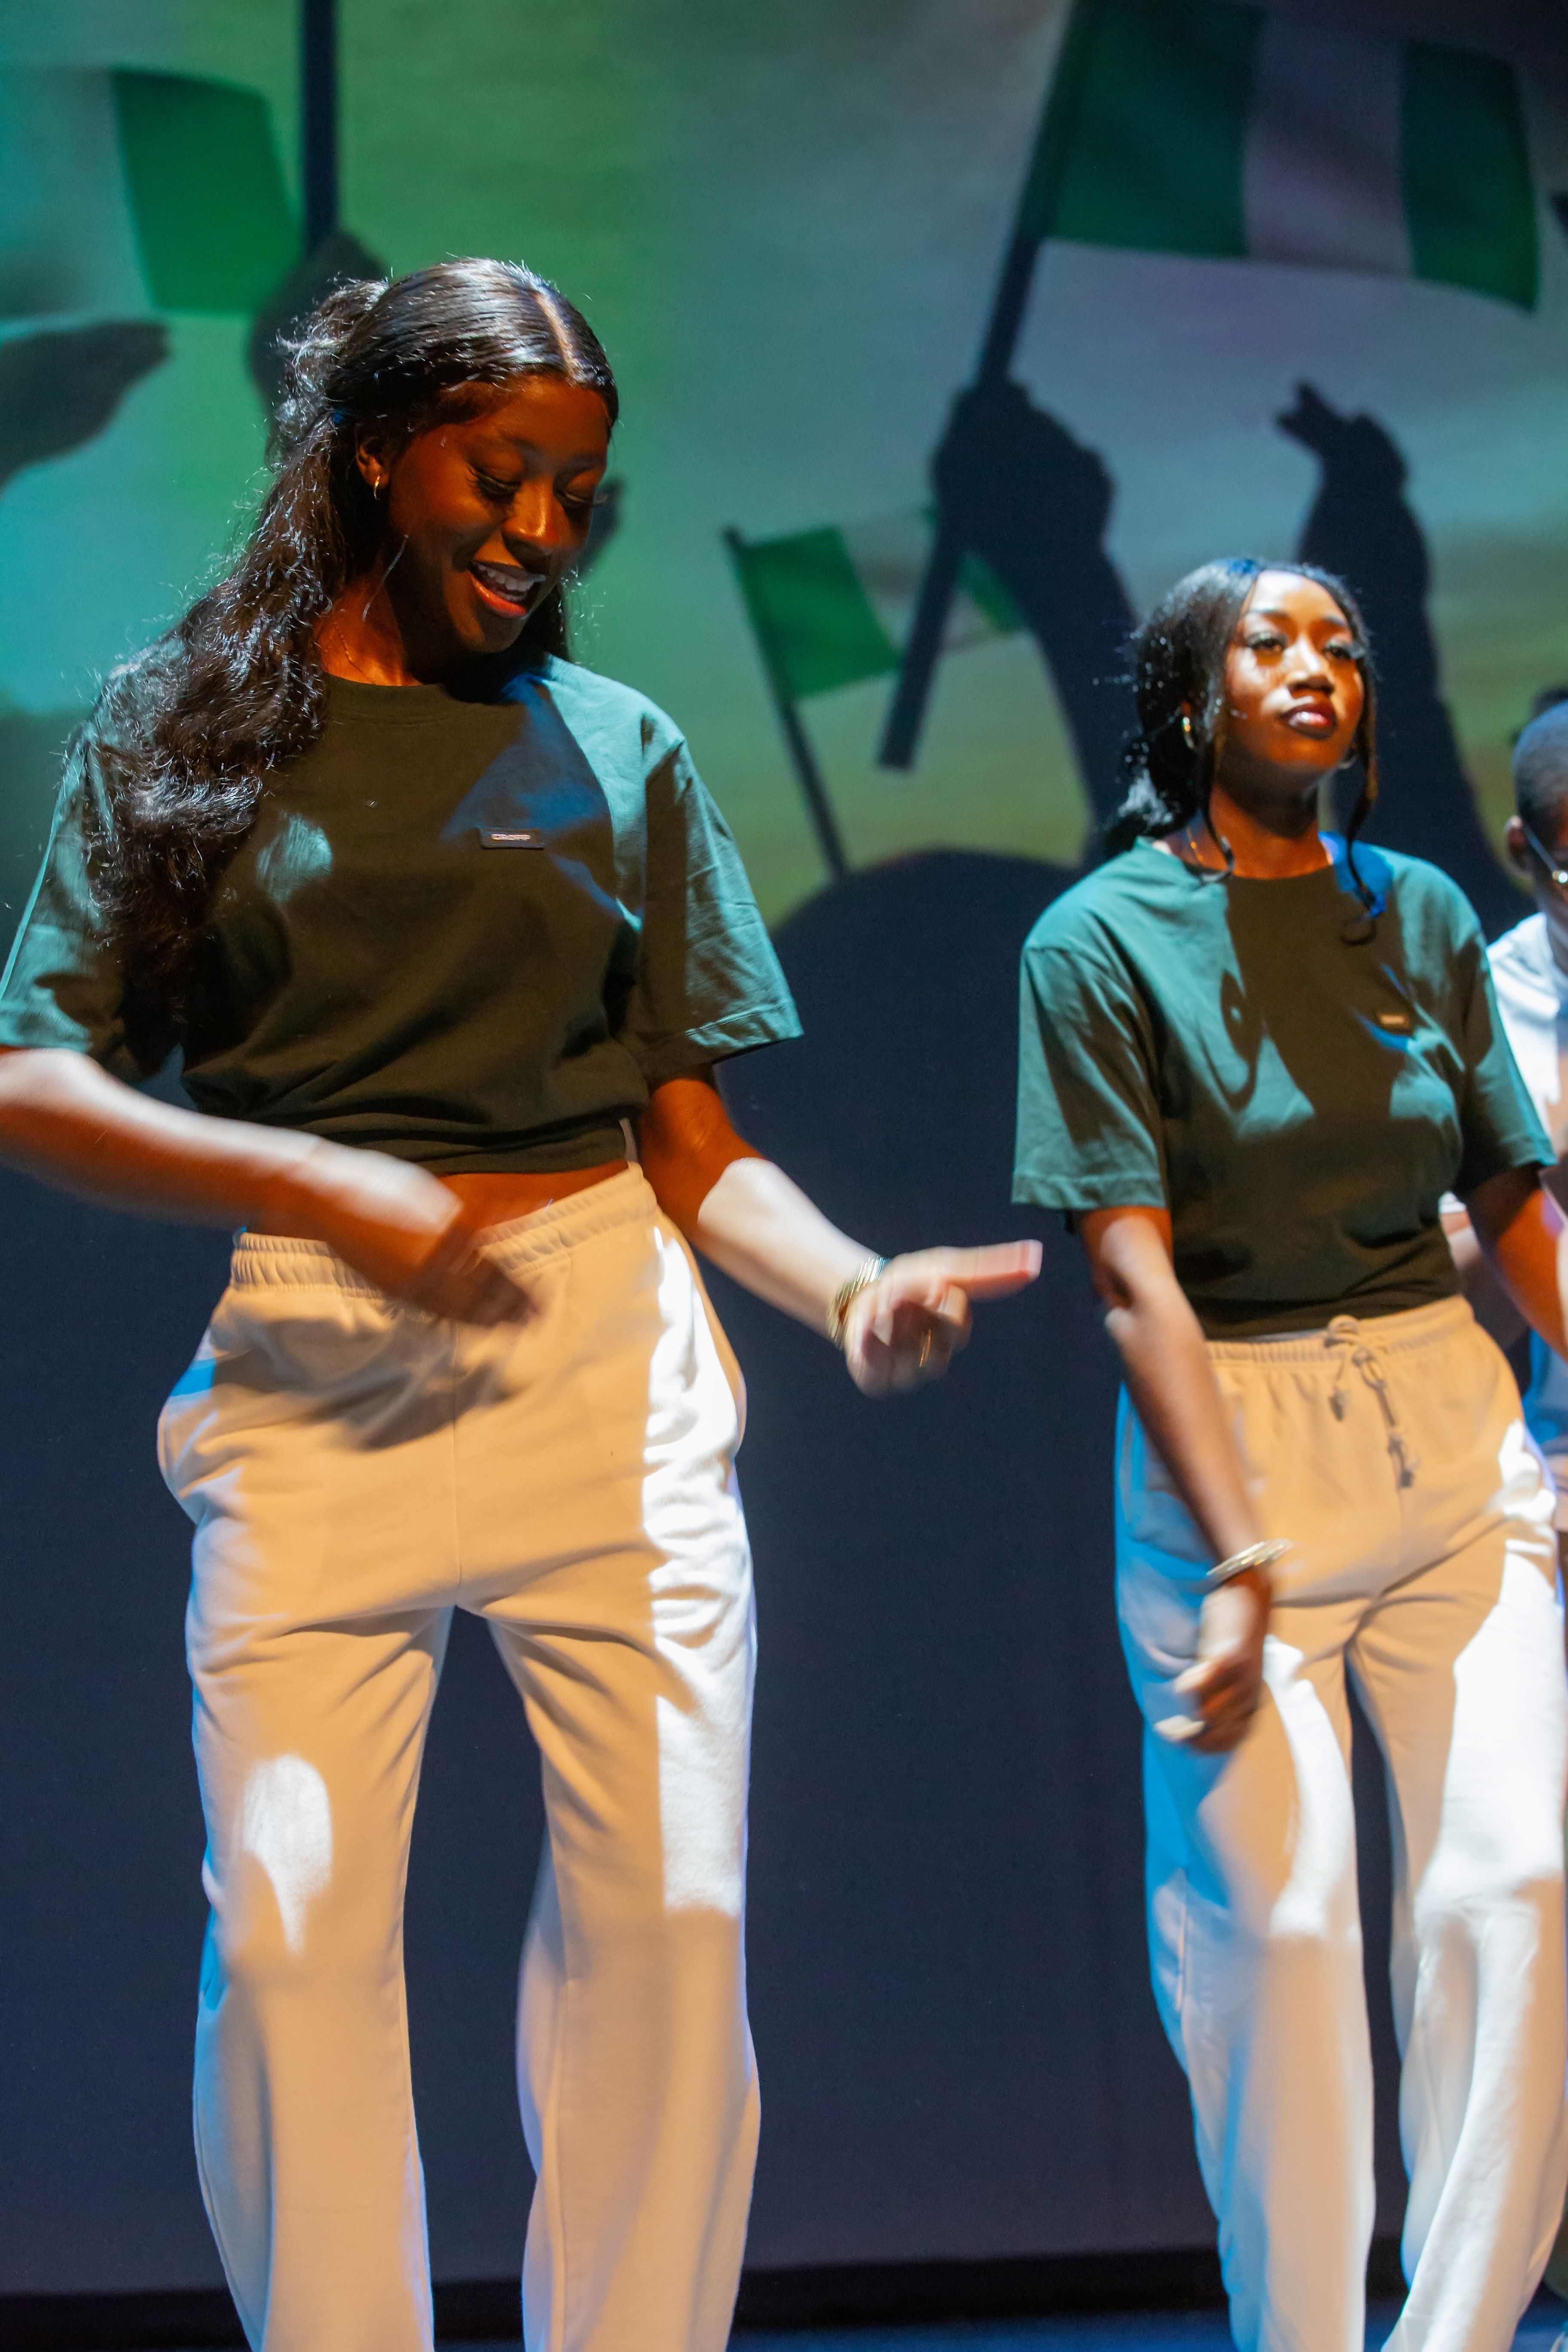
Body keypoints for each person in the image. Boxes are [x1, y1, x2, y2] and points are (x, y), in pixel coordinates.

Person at [0, 259, 1039, 2352]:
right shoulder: (185, 730)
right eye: (503, 475)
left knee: (669, 1931)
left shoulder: (619, 747)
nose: (543, 529)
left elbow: (693, 1142)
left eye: (579, 489)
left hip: (600, 1350)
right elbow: (35, 1077)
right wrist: (312, 1179)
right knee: (289, 1945)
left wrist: (850, 1293)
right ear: (379, 453)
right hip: (312, 1372)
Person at [1012, 556, 1568, 2352]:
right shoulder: (1096, 943)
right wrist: (1236, 1551)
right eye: (1271, 644)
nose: (1317, 667)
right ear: (1193, 698)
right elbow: (1130, 1275)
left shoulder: (1416, 913)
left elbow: (1512, 1199)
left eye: (1341, 645)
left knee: (1514, 1887)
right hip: (1229, 1448)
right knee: (1288, 1934)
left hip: (1446, 1435)